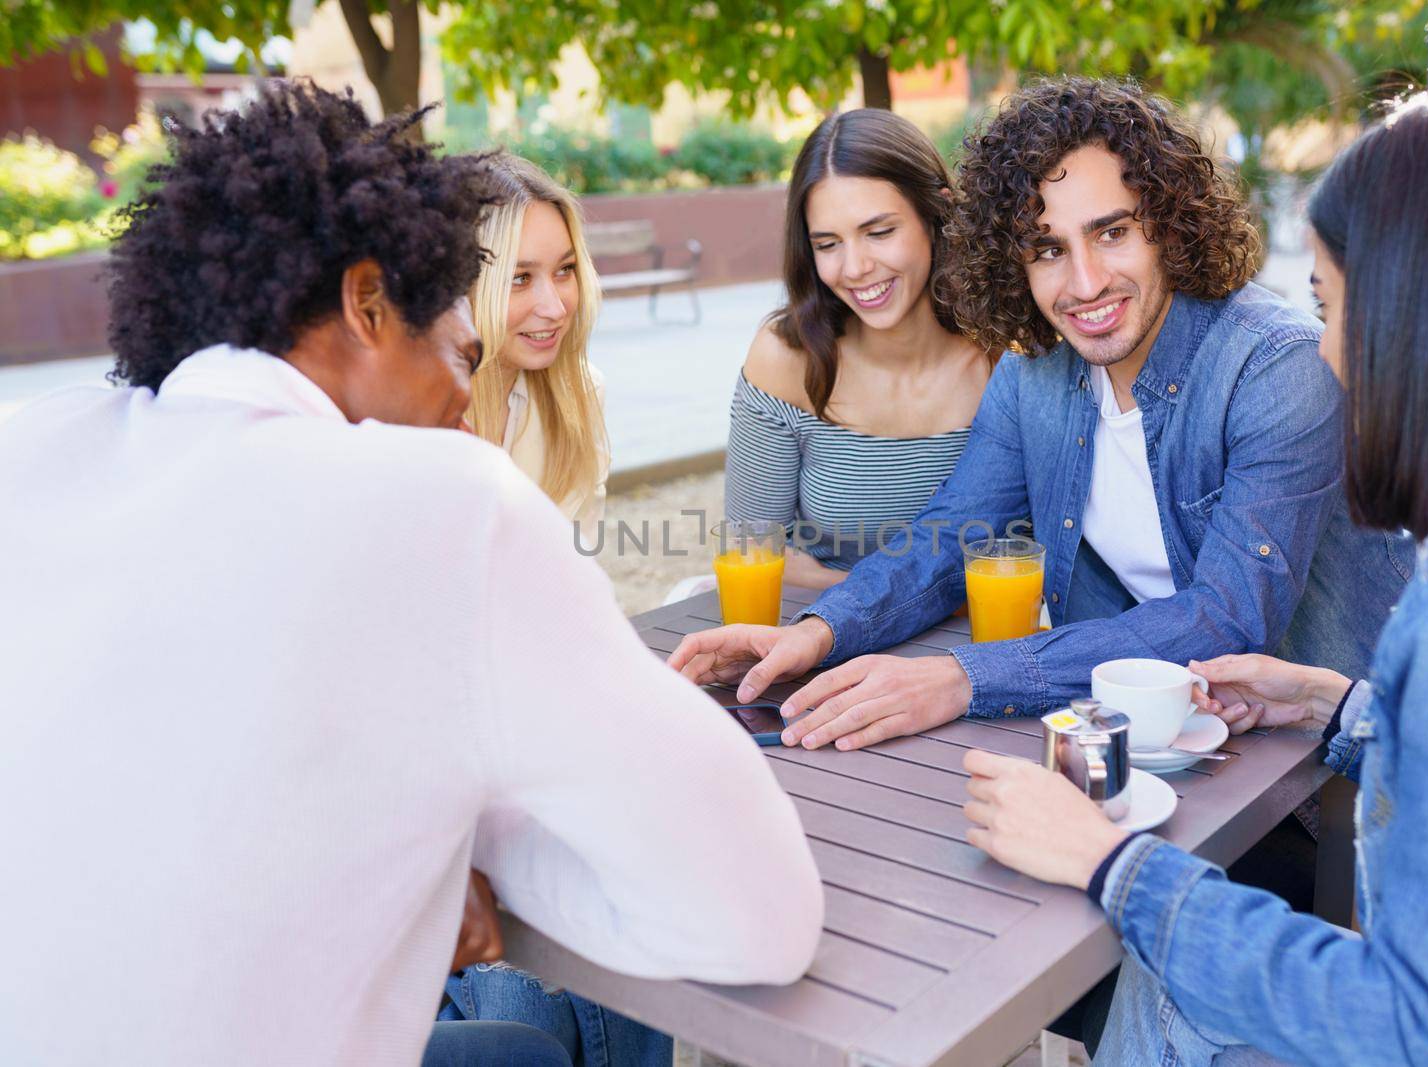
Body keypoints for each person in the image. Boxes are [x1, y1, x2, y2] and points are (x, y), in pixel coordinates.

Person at [0, 83, 823, 1065]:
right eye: (459, 353)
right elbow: (760, 915)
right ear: (367, 302)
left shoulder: (31, 448)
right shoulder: (441, 501)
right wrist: (459, 850)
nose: (463, 404)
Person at [962, 78, 1428, 1065]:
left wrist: (1111, 864)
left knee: (1163, 968)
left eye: (1333, 309)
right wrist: (1342, 706)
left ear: (1425, 320)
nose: (1330, 354)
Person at [669, 76, 1410, 754]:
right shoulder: (1035, 371)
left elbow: (1227, 616)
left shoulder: (1275, 367)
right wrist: (817, 631)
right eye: (1047, 248)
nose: (1084, 282)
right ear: (1010, 261)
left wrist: (963, 677)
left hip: (1329, 776)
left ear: (1170, 223)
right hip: (1149, 742)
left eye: (1112, 232)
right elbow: (951, 533)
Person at [724, 108, 995, 589]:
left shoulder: (1004, 358)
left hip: (978, 649)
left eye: (879, 232)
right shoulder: (786, 358)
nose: (854, 268)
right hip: (825, 639)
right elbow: (751, 548)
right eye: (828, 244)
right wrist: (887, 601)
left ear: (937, 215)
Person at [464, 154, 609, 551]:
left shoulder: (580, 394)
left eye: (564, 270)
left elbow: (573, 574)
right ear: (462, 286)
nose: (556, 306)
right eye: (520, 278)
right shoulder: (412, 416)